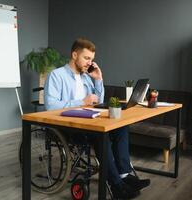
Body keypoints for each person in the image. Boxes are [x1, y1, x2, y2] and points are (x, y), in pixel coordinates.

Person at [44, 37, 150, 199]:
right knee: (101, 135)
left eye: (92, 59)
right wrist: (82, 102)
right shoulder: (56, 75)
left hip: (89, 120)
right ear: (74, 55)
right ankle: (116, 186)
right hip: (69, 126)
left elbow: (99, 102)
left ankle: (124, 175)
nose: (89, 62)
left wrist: (99, 79)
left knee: (121, 127)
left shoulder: (87, 77)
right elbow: (50, 106)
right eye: (86, 58)